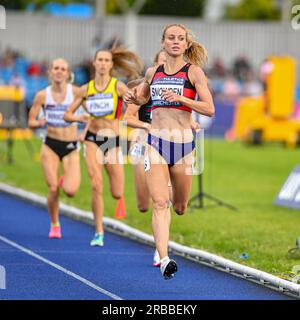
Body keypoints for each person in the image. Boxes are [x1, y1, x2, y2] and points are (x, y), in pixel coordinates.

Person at [124, 24, 215, 279]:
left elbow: (209, 108)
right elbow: (143, 97)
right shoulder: (153, 72)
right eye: (171, 38)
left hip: (184, 146)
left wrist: (182, 100)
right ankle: (164, 258)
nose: (175, 42)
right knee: (160, 203)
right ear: (163, 42)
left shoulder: (194, 72)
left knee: (180, 207)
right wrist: (134, 98)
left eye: (180, 39)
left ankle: (175, 195)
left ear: (186, 44)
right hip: (156, 142)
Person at [64, 46, 142, 247]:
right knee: (96, 185)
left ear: (111, 64)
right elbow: (67, 114)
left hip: (113, 141)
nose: (103, 63)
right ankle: (98, 231)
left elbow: (134, 103)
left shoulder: (117, 86)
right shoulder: (85, 89)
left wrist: (133, 109)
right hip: (92, 139)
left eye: (107, 60)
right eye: (100, 60)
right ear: (94, 62)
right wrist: (79, 117)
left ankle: (119, 197)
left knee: (116, 191)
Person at [28, 58, 82, 239]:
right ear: (50, 72)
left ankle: (62, 181)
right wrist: (39, 122)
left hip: (70, 145)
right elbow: (31, 122)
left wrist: (86, 131)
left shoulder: (75, 93)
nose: (59, 71)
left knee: (71, 191)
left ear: (68, 74)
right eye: (56, 68)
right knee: (52, 188)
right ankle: (55, 223)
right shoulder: (42, 95)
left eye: (63, 69)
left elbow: (91, 115)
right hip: (50, 143)